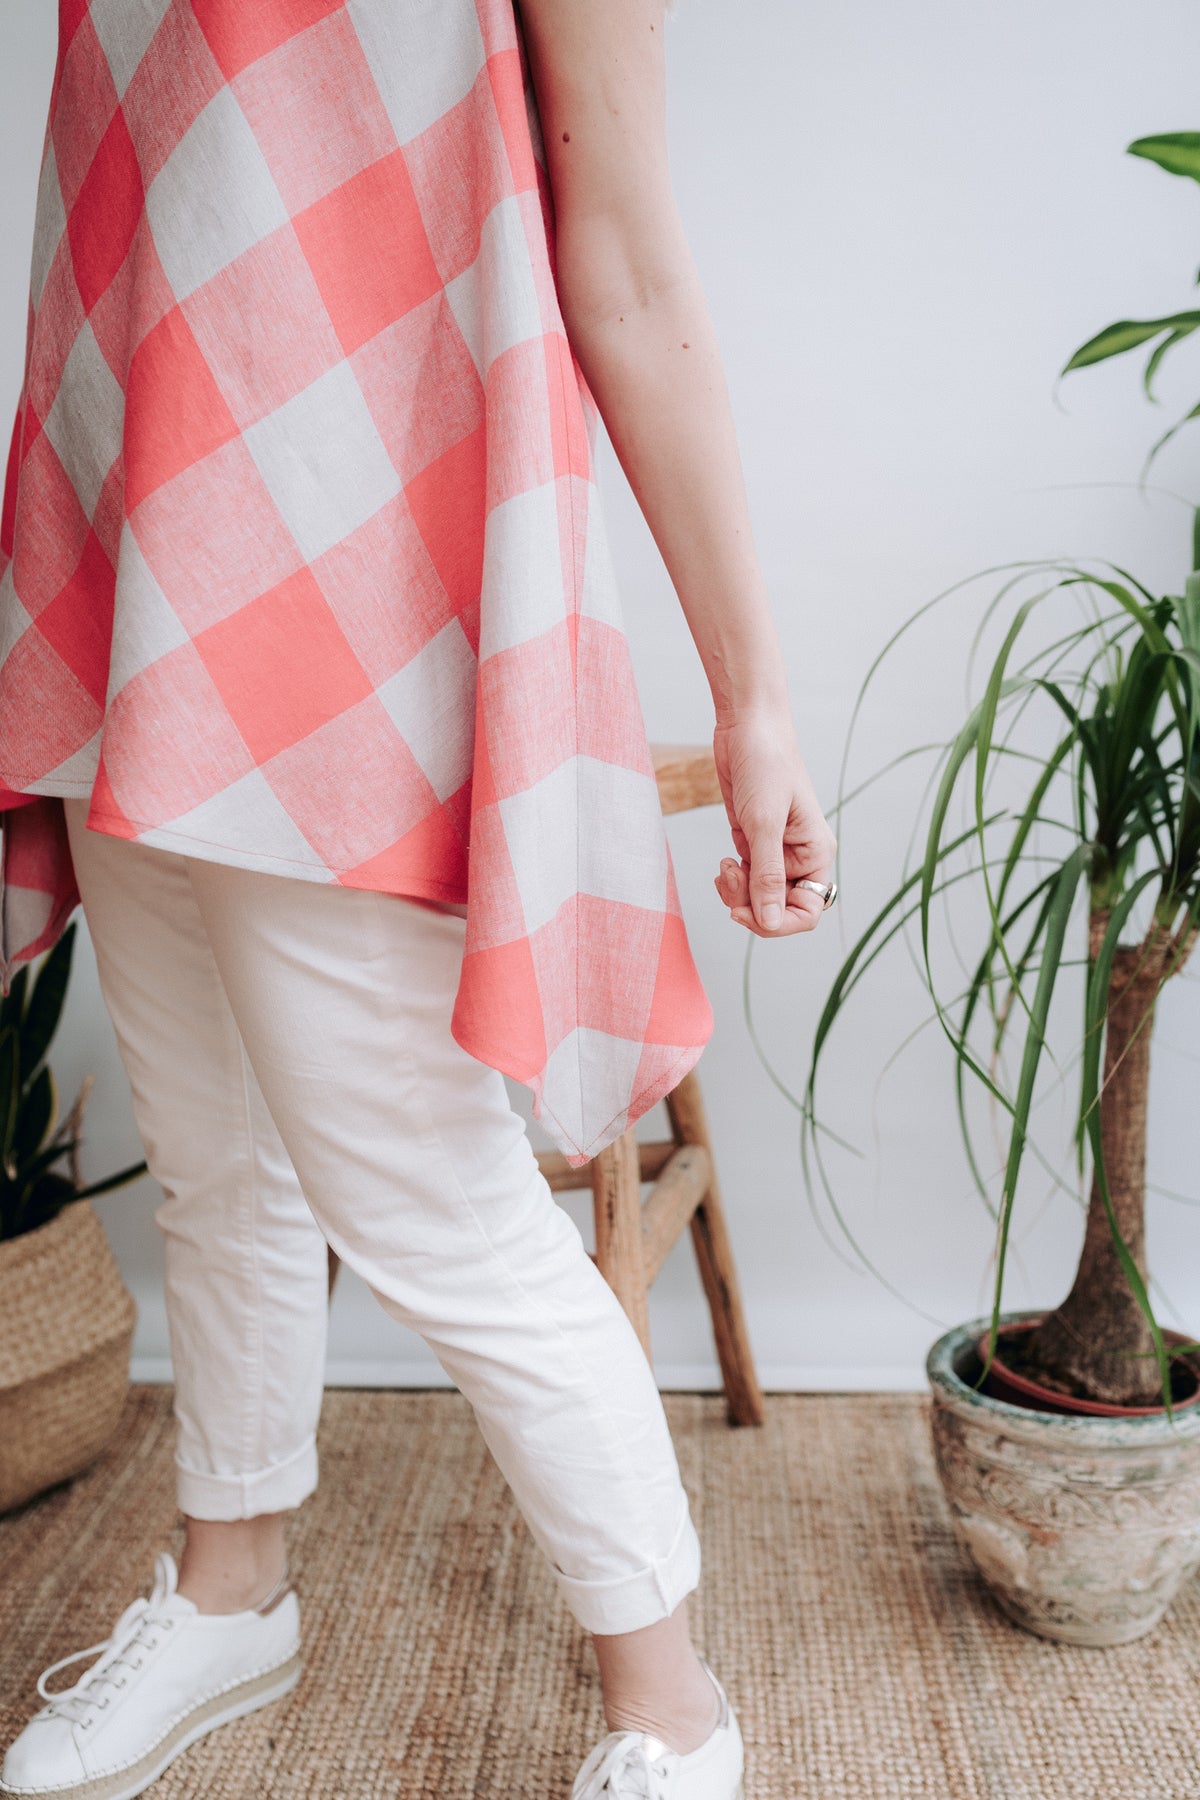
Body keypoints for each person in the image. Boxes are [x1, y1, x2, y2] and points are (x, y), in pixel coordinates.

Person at [0, 3, 836, 1798]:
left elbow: (619, 256)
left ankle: (671, 1704)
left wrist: (752, 691)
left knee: (434, 1202)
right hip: (134, 563)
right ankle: (234, 1599)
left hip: (359, 599)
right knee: (219, 1166)